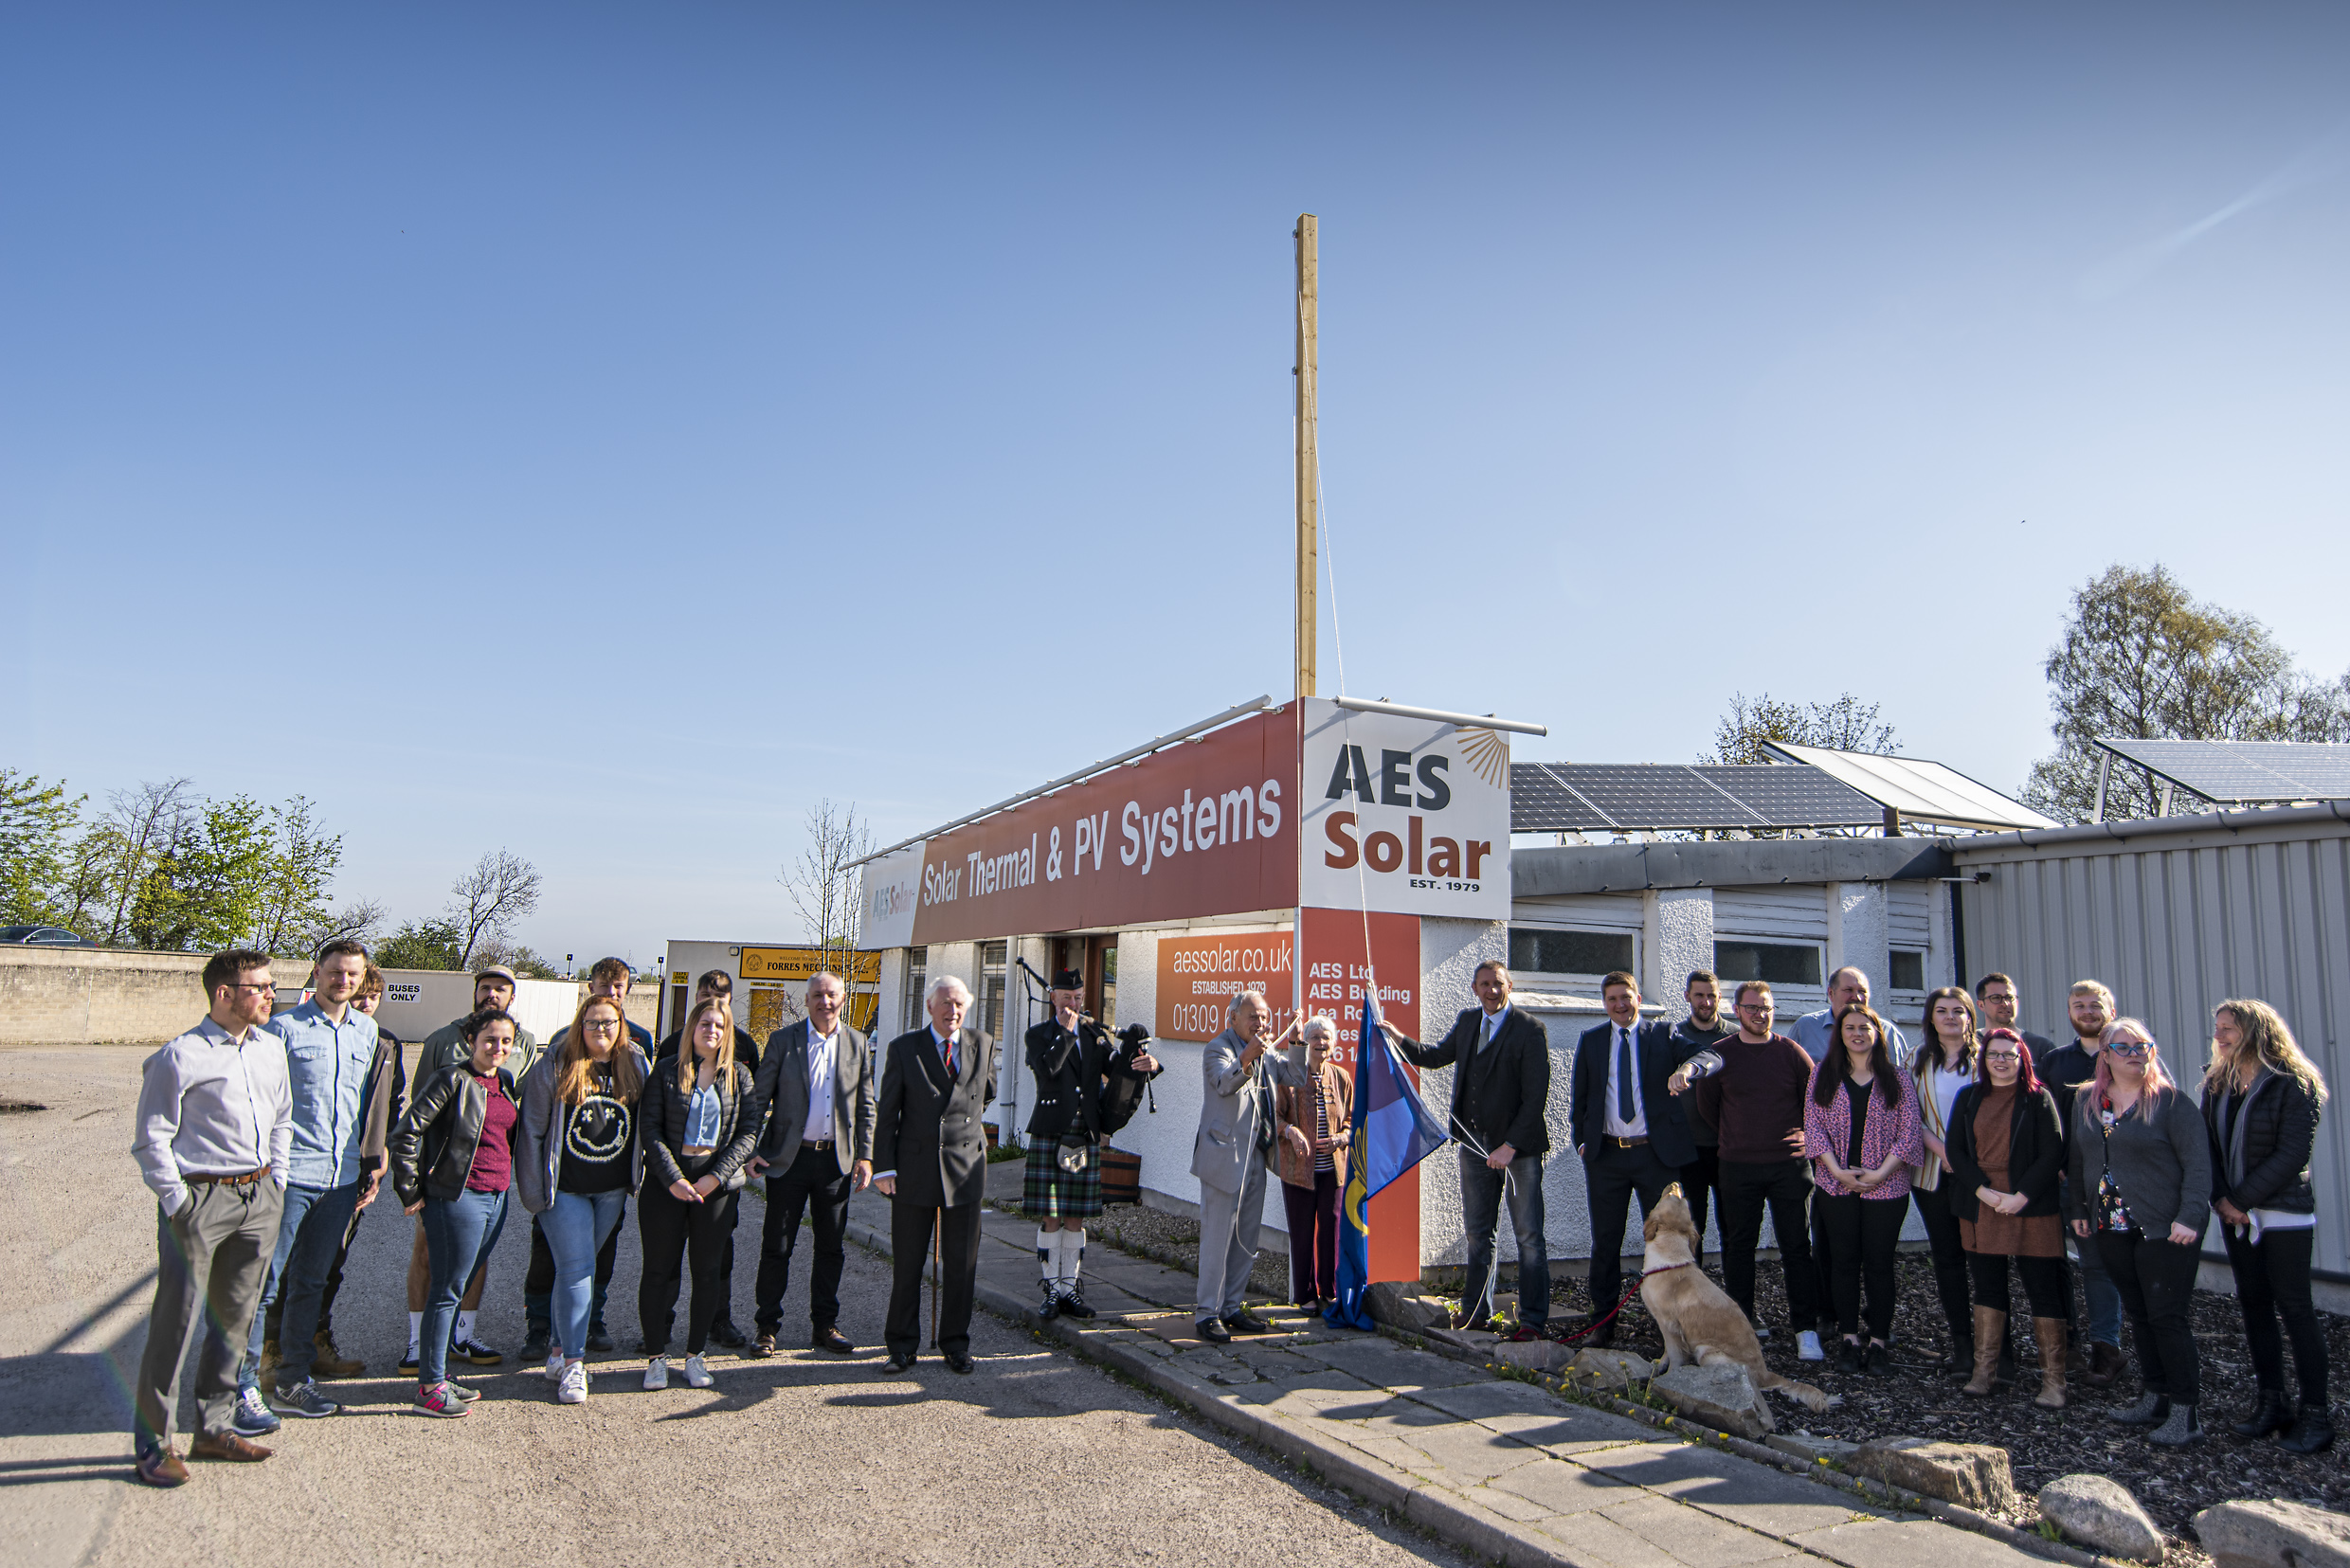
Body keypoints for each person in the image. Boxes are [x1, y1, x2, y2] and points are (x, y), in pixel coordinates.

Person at [129, 949, 294, 1485]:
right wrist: (178, 1202)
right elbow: (151, 1138)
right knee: (174, 1321)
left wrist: (276, 1181)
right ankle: (154, 1444)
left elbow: (283, 1119)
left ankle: (214, 1428)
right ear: (224, 994)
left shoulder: (271, 1048)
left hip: (258, 1197)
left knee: (234, 1320)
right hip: (201, 1200)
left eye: (271, 986)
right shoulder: (180, 1055)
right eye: (260, 987)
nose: (271, 995)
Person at [236, 939, 396, 1425]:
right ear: (317, 971)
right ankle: (242, 1386)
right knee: (264, 1284)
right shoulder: (282, 1030)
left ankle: (293, 1379)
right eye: (335, 971)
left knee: (311, 1283)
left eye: (352, 974)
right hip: (288, 1176)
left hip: (340, 1180)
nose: (343, 981)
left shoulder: (368, 1032)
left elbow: (366, 1107)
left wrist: (372, 1163)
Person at [1383, 961, 1552, 1333]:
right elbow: (1434, 1057)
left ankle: (1532, 1321)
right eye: (1485, 984)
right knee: (1478, 1235)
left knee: (1528, 1237)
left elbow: (1535, 1098)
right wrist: (1398, 1038)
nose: (1492, 990)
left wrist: (1510, 1145)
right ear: (1475, 989)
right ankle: (1476, 1314)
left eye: (1498, 983)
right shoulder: (1467, 1021)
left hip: (1518, 1152)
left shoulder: (1530, 1029)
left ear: (1510, 986)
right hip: (1474, 1145)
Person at [2069, 1018, 2211, 1446]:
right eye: (2124, 1047)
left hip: (2165, 1228)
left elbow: (2198, 1165)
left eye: (2142, 1046)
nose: (2134, 1054)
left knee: (2167, 1317)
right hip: (2110, 1225)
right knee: (2139, 1313)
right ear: (2105, 1055)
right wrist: (2078, 1207)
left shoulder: (2171, 1103)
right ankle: (2155, 1397)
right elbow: (2077, 1158)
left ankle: (2185, 1414)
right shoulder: (2087, 1100)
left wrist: (2190, 1216)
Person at [2203, 999, 2332, 1454]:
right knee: (2254, 1306)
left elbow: (2293, 1153)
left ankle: (2317, 1415)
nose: (2219, 1035)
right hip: (2235, 1215)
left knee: (2295, 1308)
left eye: (2229, 1028)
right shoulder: (2217, 1081)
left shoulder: (2293, 1082)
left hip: (2283, 1213)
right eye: (2217, 1027)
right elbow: (2208, 1147)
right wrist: (2224, 1200)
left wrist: (2239, 1200)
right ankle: (2272, 1403)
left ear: (2257, 1031)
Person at [1569, 970, 1721, 1346]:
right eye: (1612, 999)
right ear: (1604, 1004)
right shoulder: (1591, 1040)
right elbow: (1581, 1099)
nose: (1620, 1005)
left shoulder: (1663, 1034)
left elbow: (1711, 1056)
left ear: (1638, 998)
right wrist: (1582, 1144)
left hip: (1656, 1157)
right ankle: (1603, 1324)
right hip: (1606, 1157)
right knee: (1606, 1242)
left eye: (1626, 997)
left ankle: (1676, 1327)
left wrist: (1686, 1069)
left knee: (1669, 1242)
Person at [405, 964, 538, 1375]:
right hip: (451, 1183)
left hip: (493, 1187)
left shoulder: (518, 1058)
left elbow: (518, 1111)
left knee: (472, 1263)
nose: (492, 993)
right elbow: (414, 1122)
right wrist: (414, 1186)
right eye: (485, 987)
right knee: (433, 1264)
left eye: (501, 988)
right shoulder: (444, 1050)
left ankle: (461, 1338)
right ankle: (422, 1355)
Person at [390, 1007, 523, 1419]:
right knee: (447, 1289)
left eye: (506, 1041)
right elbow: (406, 1133)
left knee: (458, 1284)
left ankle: (440, 1376)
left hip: (496, 1196)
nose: (498, 1047)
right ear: (470, 1041)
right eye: (489, 1039)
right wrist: (411, 1190)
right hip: (457, 1197)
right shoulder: (451, 1079)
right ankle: (430, 1388)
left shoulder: (503, 1081)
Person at [516, 993, 648, 1404]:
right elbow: (532, 1129)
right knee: (577, 1269)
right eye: (592, 1022)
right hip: (565, 1189)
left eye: (609, 1022)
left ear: (621, 1025)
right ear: (580, 1025)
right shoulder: (557, 1063)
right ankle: (575, 1364)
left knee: (578, 1270)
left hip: (611, 1188)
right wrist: (534, 1191)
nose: (601, 1029)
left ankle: (558, 1352)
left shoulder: (635, 1063)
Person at [745, 970, 875, 1356]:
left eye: (832, 995)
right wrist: (750, 1149)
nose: (825, 1002)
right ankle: (767, 1327)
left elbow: (866, 1105)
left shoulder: (857, 1043)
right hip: (789, 1160)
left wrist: (866, 1155)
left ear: (843, 999)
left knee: (831, 1248)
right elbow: (758, 1099)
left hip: (835, 1162)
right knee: (777, 1246)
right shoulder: (783, 1041)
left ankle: (825, 1325)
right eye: (817, 995)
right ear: (806, 1000)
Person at [872, 976, 997, 1375]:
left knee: (961, 1265)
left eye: (959, 1004)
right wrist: (884, 1167)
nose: (952, 1011)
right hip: (915, 1169)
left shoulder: (982, 1043)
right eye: (945, 1003)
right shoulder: (904, 1048)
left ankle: (955, 1344)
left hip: (965, 1169)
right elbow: (887, 1113)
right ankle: (901, 1345)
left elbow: (986, 1091)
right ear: (929, 1007)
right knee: (908, 1263)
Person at [1694, 981, 1826, 1361]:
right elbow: (1708, 1107)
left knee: (1797, 1246)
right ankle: (1741, 1329)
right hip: (1738, 1165)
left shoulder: (1791, 1053)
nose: (1760, 1014)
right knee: (1739, 1248)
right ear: (1737, 1010)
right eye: (1752, 1008)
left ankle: (1805, 1330)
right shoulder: (1720, 1055)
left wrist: (1795, 1140)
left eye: (1766, 1008)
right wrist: (1739, 1136)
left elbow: (1813, 1104)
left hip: (1789, 1165)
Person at [638, 996, 762, 1390]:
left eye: (720, 1025)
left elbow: (748, 1133)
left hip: (715, 1186)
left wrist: (715, 1178)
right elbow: (650, 1129)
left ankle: (695, 1356)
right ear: (692, 1028)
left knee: (707, 1272)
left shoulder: (739, 1076)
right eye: (705, 1023)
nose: (712, 1030)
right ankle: (656, 1357)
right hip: (667, 1183)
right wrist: (673, 1178)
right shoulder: (665, 1071)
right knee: (659, 1271)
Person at [1021, 967, 1159, 1321]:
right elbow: (1048, 1069)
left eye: (1079, 998)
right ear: (1053, 997)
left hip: (1084, 1133)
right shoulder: (1038, 1035)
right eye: (1067, 997)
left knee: (1075, 1217)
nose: (1073, 1004)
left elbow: (1117, 1069)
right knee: (1052, 1215)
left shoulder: (1094, 1036)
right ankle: (1051, 1291)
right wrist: (1067, 1033)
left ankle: (1070, 1289)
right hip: (1052, 1132)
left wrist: (1148, 1064)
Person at [1944, 1028, 2070, 1407]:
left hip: (2031, 1204)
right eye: (1993, 1054)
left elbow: (2052, 1152)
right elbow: (1955, 1150)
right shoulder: (1968, 1097)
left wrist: (2021, 1197)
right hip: (1981, 1202)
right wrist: (1981, 1190)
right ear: (1983, 1060)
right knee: (1988, 1288)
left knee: (2043, 1289)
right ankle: (1985, 1372)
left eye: (2008, 1055)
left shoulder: (2038, 1098)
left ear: (2022, 1059)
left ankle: (2054, 1382)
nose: (2000, 1061)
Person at [1801, 1006, 1923, 1376]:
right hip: (1835, 1185)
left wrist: (1880, 1173)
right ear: (1839, 1034)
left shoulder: (1897, 1078)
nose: (1857, 1033)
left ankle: (1879, 1342)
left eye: (1864, 1028)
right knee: (1843, 1262)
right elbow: (1813, 1127)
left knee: (1879, 1264)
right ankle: (1850, 1339)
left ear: (1876, 1033)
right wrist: (1837, 1171)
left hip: (1887, 1187)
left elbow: (1909, 1133)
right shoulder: (1822, 1075)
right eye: (1850, 1028)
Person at [308, 962, 405, 1376]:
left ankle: (318, 1341)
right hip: (309, 1167)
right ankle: (273, 1349)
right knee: (292, 1263)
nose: (366, 1003)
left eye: (373, 997)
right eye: (360, 995)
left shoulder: (386, 1043)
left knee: (333, 1260)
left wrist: (381, 1156)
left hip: (357, 1170)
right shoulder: (309, 1032)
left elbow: (393, 1105)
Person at [2039, 979, 2127, 1387]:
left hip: (2110, 1185)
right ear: (2070, 1012)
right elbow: (2040, 1116)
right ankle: (2065, 1343)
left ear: (2111, 1010)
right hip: (2060, 1179)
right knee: (2052, 1261)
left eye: (2095, 1005)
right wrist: (2054, 1164)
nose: (2088, 1012)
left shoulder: (2130, 1055)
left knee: (2097, 1266)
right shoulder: (2054, 1062)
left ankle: (2106, 1349)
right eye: (2079, 1005)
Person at [1192, 990, 1292, 1343]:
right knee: (1217, 1239)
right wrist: (1247, 1057)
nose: (1260, 1023)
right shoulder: (1217, 1048)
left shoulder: (1268, 1051)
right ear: (1232, 1017)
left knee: (1246, 1239)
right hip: (1223, 1157)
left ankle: (1231, 1307)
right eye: (1253, 1016)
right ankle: (1207, 1313)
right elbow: (1223, 1084)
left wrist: (1296, 1042)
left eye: (1264, 1017)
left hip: (1256, 1156)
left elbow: (1295, 1075)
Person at [1908, 986, 1983, 1378]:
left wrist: (1967, 1160)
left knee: (1985, 1260)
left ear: (1970, 1016)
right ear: (1931, 1018)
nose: (1951, 1017)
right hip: (1933, 1173)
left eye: (1959, 1010)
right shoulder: (1916, 1060)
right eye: (1942, 1011)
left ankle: (1995, 1348)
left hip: (1982, 1174)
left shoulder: (1987, 1058)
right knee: (1949, 1259)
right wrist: (1945, 1152)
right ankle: (1962, 1347)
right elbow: (1910, 1116)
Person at [1274, 1016, 1352, 1312]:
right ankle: (1305, 1296)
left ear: (1334, 1043)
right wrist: (1290, 1131)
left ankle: (1329, 1291)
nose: (1321, 1043)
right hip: (1298, 1171)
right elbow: (1274, 1117)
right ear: (1305, 1042)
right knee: (1302, 1232)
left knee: (1331, 1230)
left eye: (1326, 1037)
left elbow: (1352, 1119)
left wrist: (1341, 1138)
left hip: (1332, 1171)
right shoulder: (1289, 1077)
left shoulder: (1341, 1077)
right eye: (1315, 1037)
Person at [1671, 970, 1733, 1266]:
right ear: (1687, 997)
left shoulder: (1734, 1036)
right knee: (1691, 1230)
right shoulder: (1675, 1037)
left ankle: (1734, 1291)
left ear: (1719, 997)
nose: (1706, 1002)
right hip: (1688, 1147)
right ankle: (1691, 1287)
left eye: (1711, 995)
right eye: (1699, 995)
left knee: (1732, 1226)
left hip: (1728, 1147)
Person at [1973, 973, 2058, 1067]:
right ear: (1981, 1005)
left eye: (2010, 998)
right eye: (1996, 998)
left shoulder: (2041, 1047)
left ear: (2017, 1002)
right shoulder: (1971, 1044)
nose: (2005, 1004)